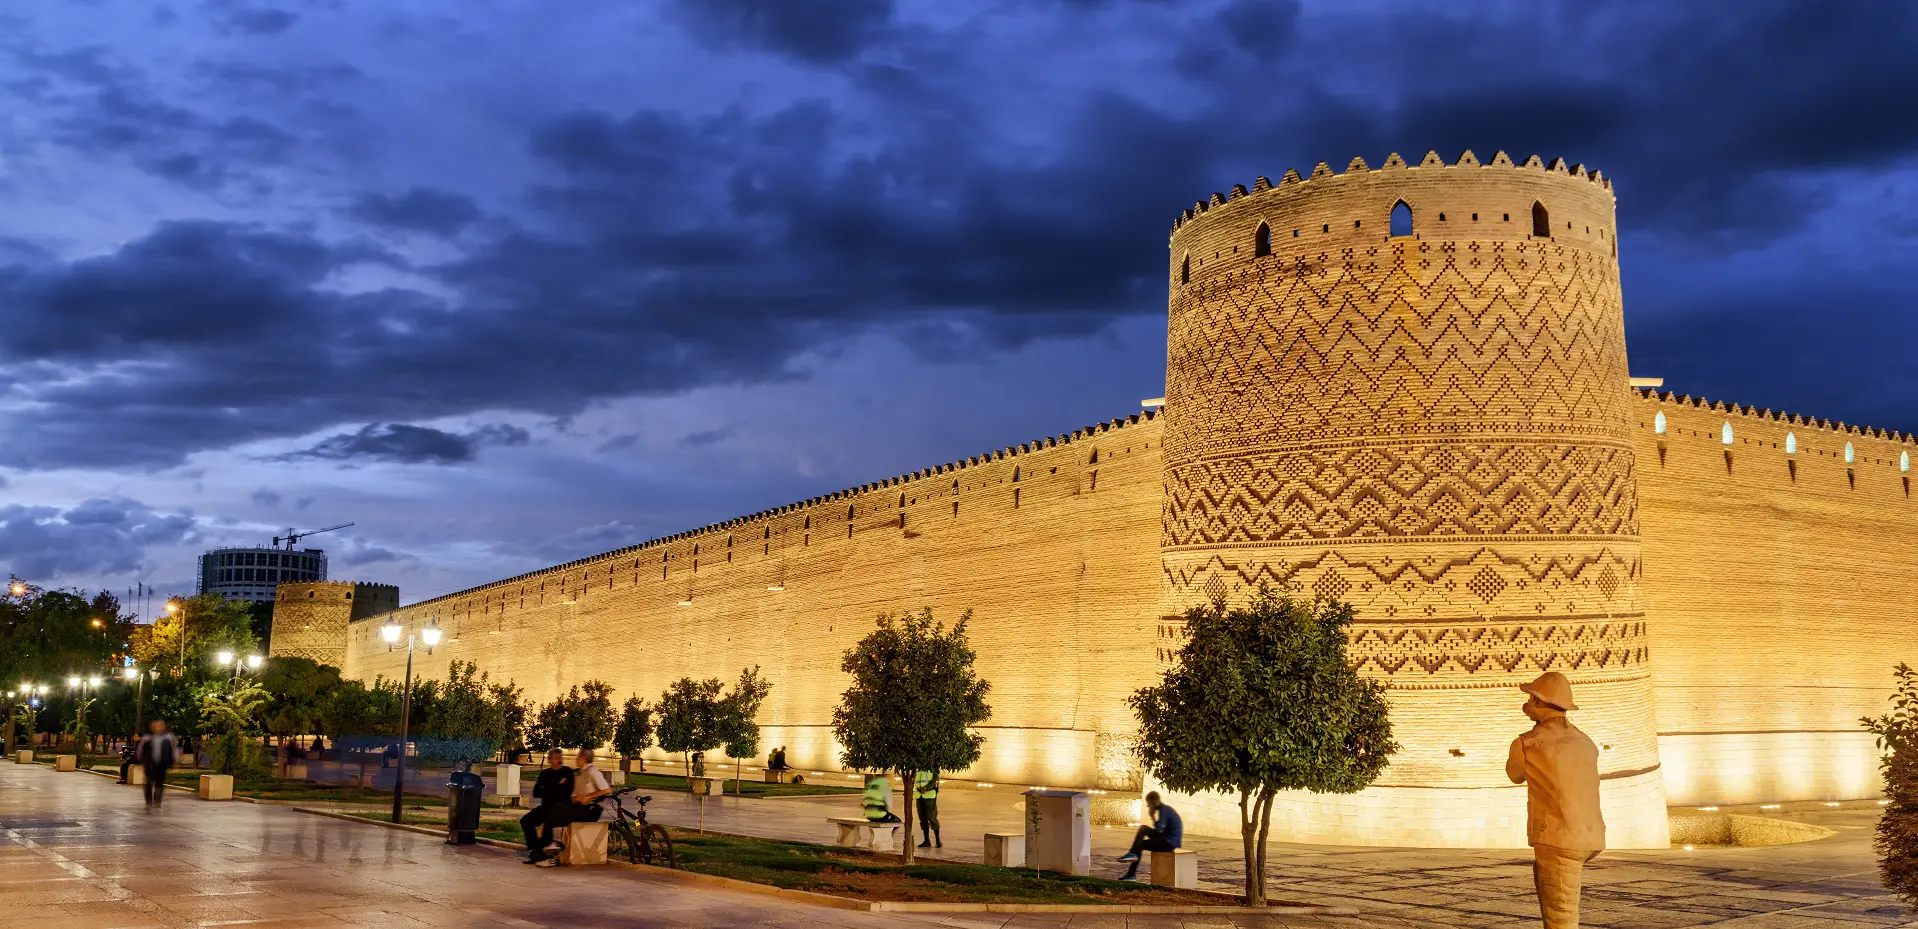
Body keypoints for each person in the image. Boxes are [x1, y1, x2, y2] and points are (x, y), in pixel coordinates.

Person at [1508, 671, 1606, 929]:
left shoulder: (1528, 743)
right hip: (1591, 834)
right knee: (1552, 900)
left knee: (1561, 918)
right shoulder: (1586, 741)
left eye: (1531, 698)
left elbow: (1514, 775)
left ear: (1539, 702)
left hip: (1558, 838)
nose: (1527, 705)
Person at [520, 750, 576, 865]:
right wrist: (557, 786)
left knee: (548, 826)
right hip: (546, 807)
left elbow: (566, 793)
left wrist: (547, 789)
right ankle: (536, 851)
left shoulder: (567, 772)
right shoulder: (545, 774)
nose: (558, 760)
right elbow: (536, 792)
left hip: (561, 808)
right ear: (550, 760)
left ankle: (538, 853)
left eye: (560, 757)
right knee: (526, 821)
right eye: (555, 758)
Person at [1116, 791, 1182, 880]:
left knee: (1140, 845)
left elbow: (1159, 829)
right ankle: (1132, 855)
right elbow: (1160, 831)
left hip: (1169, 843)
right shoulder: (1165, 809)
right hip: (1166, 839)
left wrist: (1152, 817)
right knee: (1143, 829)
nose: (1148, 807)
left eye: (1149, 805)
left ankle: (1131, 873)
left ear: (1153, 803)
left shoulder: (1164, 810)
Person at [135, 718, 179, 812]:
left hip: (162, 764)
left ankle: (157, 802)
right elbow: (140, 750)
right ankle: (148, 802)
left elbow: (174, 750)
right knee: (148, 783)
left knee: (160, 783)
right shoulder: (147, 738)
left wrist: (174, 760)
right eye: (156, 725)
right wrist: (141, 761)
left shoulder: (168, 738)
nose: (158, 727)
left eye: (160, 725)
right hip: (150, 764)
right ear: (152, 727)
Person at [914, 770, 942, 848]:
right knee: (922, 819)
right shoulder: (915, 765)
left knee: (932, 818)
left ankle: (937, 840)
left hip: (929, 796)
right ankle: (926, 840)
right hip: (919, 796)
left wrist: (926, 788)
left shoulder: (931, 765)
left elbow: (935, 779)